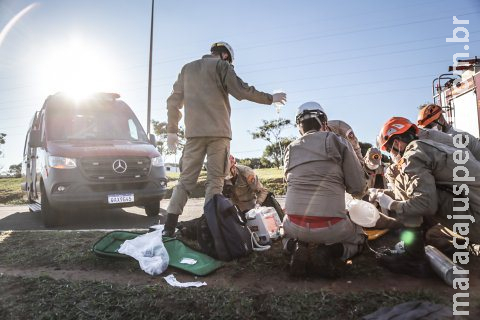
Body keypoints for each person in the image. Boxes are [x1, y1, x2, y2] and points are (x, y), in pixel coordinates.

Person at [163, 41, 287, 237]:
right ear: (226, 56)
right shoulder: (222, 66)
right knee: (215, 181)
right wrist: (270, 98)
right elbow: (241, 90)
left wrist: (171, 130)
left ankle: (168, 228)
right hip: (218, 135)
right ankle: (211, 228)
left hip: (193, 135)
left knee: (185, 181)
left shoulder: (187, 69)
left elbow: (173, 101)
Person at [373, 117, 480, 275]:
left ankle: (413, 259)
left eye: (389, 150)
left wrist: (390, 205)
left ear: (396, 143)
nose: (391, 155)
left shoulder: (413, 154)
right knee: (432, 235)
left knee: (401, 178)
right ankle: (473, 245)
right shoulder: (435, 146)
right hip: (474, 209)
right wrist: (384, 194)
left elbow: (425, 204)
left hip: (476, 218)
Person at [282, 101, 367, 277]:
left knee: (284, 232)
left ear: (299, 127)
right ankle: (331, 252)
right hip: (332, 227)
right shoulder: (338, 141)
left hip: (294, 225)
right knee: (359, 233)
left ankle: (295, 246)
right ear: (324, 123)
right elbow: (358, 188)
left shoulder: (290, 149)